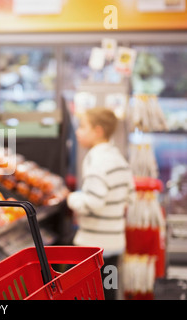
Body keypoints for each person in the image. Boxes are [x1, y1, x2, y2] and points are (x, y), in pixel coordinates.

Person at [67, 107, 135, 300]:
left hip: (90, 248)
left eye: (82, 127)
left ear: (98, 131)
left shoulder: (97, 160)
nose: (78, 132)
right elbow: (129, 195)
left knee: (80, 294)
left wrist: (71, 198)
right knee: (107, 291)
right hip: (114, 244)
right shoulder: (119, 158)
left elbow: (93, 202)